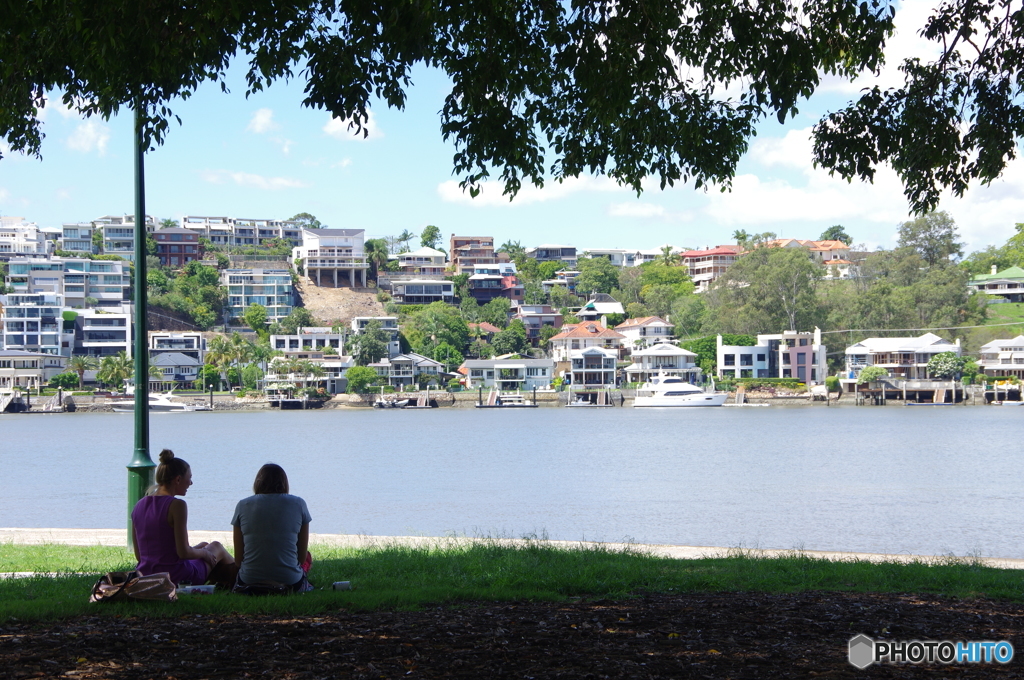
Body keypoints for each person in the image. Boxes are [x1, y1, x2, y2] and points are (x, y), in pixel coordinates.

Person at [131, 449, 234, 586]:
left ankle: (222, 581)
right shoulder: (177, 505)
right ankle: (240, 580)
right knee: (216, 547)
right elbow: (183, 552)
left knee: (204, 545)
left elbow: (139, 556)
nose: (191, 483)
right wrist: (204, 553)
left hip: (145, 575)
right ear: (178, 479)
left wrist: (202, 550)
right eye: (189, 478)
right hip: (176, 576)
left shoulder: (139, 505)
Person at [232, 463, 313, 593]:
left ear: (258, 483)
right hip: (290, 581)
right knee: (308, 558)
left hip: (248, 580)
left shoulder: (242, 505)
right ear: (284, 483)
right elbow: (301, 558)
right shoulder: (299, 503)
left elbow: (238, 560)